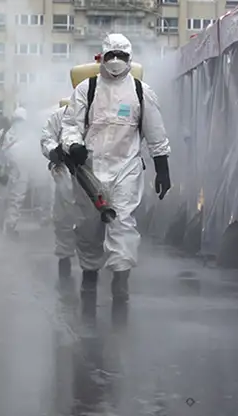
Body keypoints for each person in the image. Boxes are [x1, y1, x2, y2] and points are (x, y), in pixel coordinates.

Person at [60, 33, 170, 300]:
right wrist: (73, 145)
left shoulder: (141, 92)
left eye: (122, 56)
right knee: (88, 226)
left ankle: (121, 278)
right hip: (89, 169)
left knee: (122, 224)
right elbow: (71, 124)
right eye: (112, 55)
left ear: (130, 59)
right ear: (102, 57)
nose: (116, 61)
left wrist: (162, 167)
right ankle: (90, 271)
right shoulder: (87, 89)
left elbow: (155, 132)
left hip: (126, 169)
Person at [41, 99, 77, 280]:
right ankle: (64, 257)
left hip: (97, 173)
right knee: (64, 218)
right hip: (65, 172)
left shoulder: (103, 110)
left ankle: (93, 267)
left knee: (95, 221)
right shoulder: (59, 116)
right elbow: (47, 138)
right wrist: (53, 151)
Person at [0, 107, 29, 237]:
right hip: (4, 169)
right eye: (17, 120)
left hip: (21, 171)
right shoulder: (4, 132)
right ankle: (0, 222)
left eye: (21, 120)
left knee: (16, 200)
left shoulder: (29, 136)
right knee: (1, 199)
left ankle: (11, 225)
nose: (18, 123)